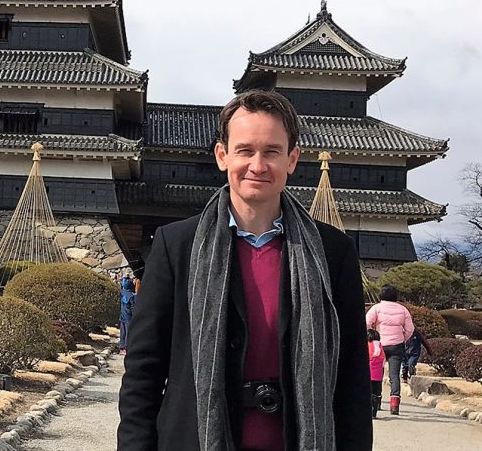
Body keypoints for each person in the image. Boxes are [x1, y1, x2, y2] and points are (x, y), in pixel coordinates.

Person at [117, 90, 372, 451]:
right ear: (223, 156)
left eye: (272, 151)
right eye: (245, 150)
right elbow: (143, 371)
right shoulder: (178, 246)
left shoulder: (333, 254)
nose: (258, 165)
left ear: (292, 159)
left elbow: (352, 381)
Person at [365, 285, 414, 415]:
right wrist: (402, 338)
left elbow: (367, 323)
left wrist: (372, 336)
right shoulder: (403, 310)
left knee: (377, 373)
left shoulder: (376, 308)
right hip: (397, 345)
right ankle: (394, 405)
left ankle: (377, 400)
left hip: (379, 345)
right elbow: (410, 329)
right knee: (394, 375)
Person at [367, 329, 385, 418]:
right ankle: (374, 411)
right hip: (377, 376)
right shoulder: (380, 346)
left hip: (368, 374)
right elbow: (383, 360)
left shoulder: (367, 345)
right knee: (375, 393)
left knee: (367, 393)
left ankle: (368, 411)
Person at [120, 276, 136, 354]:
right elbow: (133, 307)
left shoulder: (122, 292)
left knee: (123, 332)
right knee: (128, 332)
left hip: (122, 315)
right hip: (129, 316)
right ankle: (126, 348)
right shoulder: (132, 295)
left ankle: (121, 347)